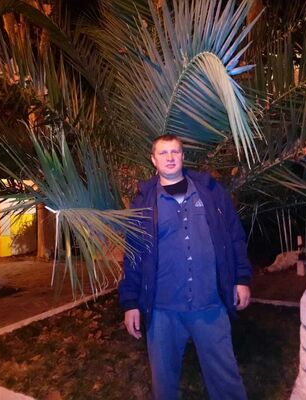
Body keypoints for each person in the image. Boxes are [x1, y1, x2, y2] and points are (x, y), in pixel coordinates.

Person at [118, 134, 252, 400]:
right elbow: (134, 255)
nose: (169, 157)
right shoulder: (143, 203)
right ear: (153, 160)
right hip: (162, 309)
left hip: (210, 303)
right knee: (164, 384)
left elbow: (234, 236)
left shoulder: (211, 192)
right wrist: (130, 303)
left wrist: (242, 278)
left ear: (183, 156)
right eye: (163, 153)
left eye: (175, 152)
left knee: (226, 380)